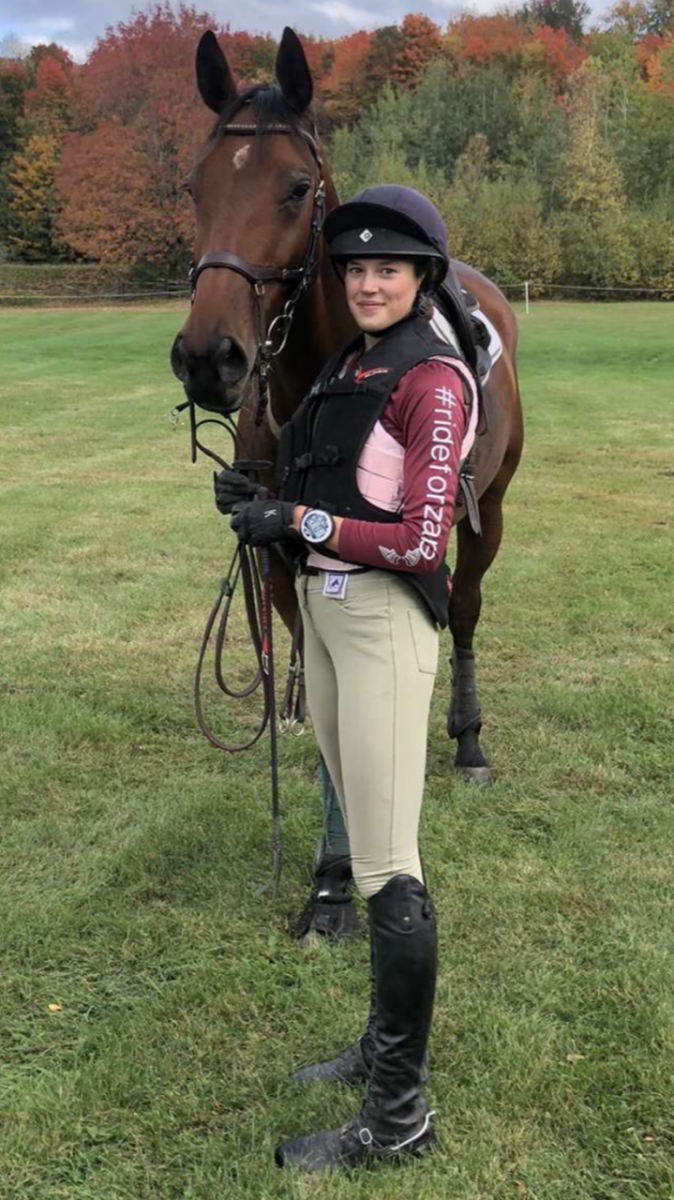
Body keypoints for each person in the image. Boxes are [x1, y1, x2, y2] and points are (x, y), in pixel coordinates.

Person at [215, 185, 478, 1172]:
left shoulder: (432, 379)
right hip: (324, 620)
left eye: (388, 268)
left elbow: (418, 536)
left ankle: (399, 1117)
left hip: (380, 624)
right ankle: (379, 1047)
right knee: (372, 842)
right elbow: (324, 480)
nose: (367, 281)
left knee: (384, 861)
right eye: (355, 267)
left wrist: (299, 525)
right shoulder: (346, 364)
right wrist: (263, 493)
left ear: (420, 280)